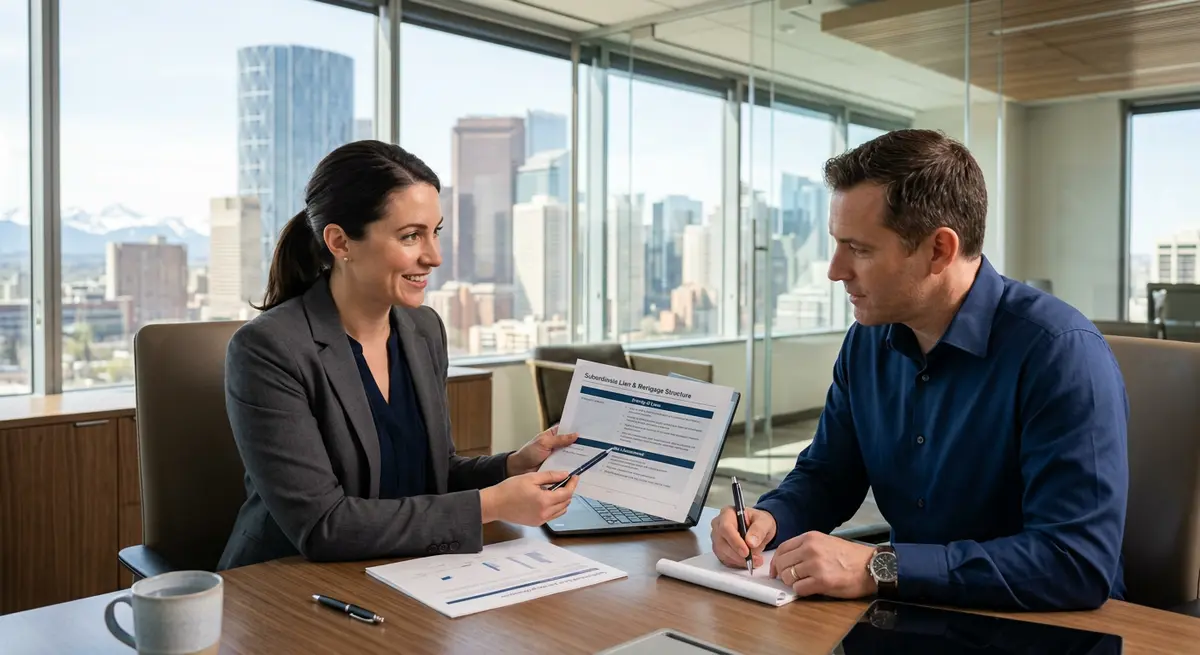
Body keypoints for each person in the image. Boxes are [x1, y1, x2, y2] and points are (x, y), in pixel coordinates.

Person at [710, 129, 1129, 611]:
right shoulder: (867, 342)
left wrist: (879, 567)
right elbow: (829, 475)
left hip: (1047, 627)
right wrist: (768, 519)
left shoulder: (1059, 353)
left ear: (939, 250)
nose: (834, 269)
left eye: (859, 249)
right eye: (837, 244)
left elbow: (1073, 562)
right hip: (909, 613)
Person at [217, 141, 580, 570]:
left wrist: (513, 467)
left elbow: (435, 473)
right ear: (340, 242)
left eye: (435, 231)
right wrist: (489, 505)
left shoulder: (423, 329)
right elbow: (322, 526)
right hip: (288, 583)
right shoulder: (269, 349)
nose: (435, 256)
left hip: (404, 569)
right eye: (411, 236)